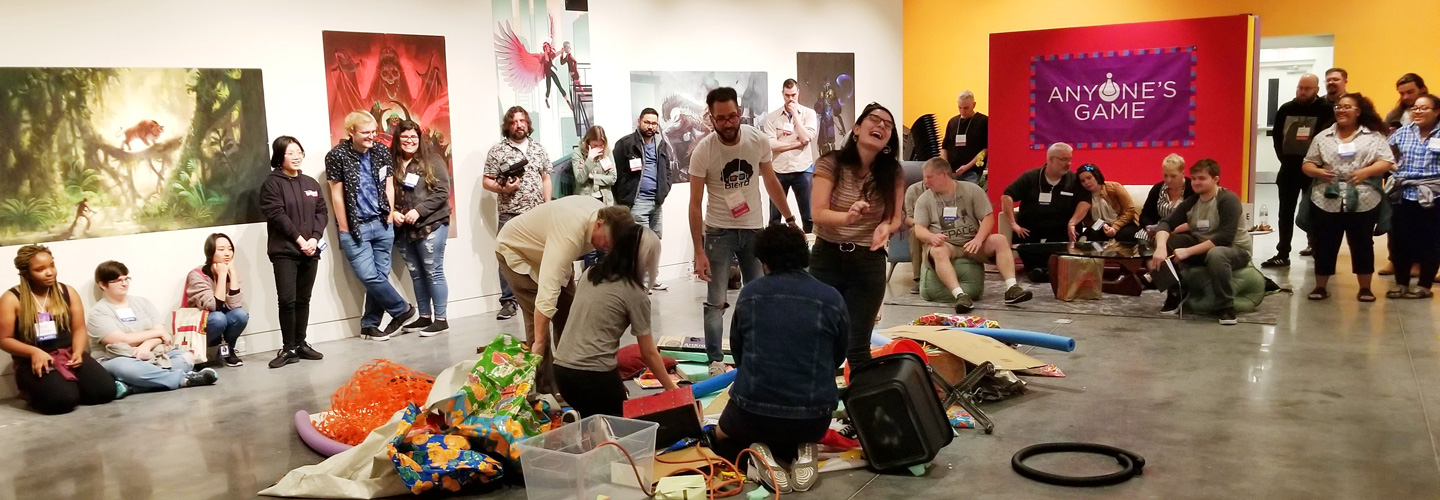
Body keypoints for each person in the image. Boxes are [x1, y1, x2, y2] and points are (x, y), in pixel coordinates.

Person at [712, 225, 847, 494]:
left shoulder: (749, 295)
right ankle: (800, 449)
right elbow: (837, 357)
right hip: (814, 417)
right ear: (804, 255)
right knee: (791, 429)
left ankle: (758, 459)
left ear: (763, 261)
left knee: (717, 439)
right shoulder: (831, 297)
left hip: (753, 413)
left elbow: (739, 355)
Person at [688, 87, 800, 375]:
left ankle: (756, 354)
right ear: (711, 118)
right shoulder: (703, 151)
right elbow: (695, 203)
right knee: (715, 301)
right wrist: (699, 251)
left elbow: (771, 181)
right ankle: (715, 361)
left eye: (732, 116)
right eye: (721, 118)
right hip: (718, 233)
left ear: (739, 112)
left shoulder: (757, 140)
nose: (728, 123)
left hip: (753, 231)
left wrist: (789, 219)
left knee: (759, 296)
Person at [496, 196, 634, 394]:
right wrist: (539, 343)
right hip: (517, 250)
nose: (608, 249)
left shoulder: (609, 220)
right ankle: (545, 387)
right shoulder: (570, 234)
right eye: (607, 243)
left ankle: (573, 374)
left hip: (548, 250)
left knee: (570, 315)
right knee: (538, 323)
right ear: (598, 225)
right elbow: (547, 294)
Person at [810, 102, 904, 366]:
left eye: (888, 125)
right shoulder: (831, 163)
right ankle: (821, 392)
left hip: (868, 261)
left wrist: (886, 227)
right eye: (875, 119)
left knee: (858, 346)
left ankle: (861, 392)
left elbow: (896, 217)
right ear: (857, 129)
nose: (881, 126)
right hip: (827, 258)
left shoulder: (892, 172)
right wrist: (848, 217)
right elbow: (818, 213)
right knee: (822, 340)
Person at [553, 224, 677, 418]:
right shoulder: (635, 293)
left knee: (595, 417)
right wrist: (672, 389)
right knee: (620, 427)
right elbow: (648, 353)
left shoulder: (590, 273)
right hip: (593, 376)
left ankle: (582, 422)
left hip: (561, 371)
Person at [326, 111, 418, 339]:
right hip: (355, 228)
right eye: (365, 132)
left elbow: (389, 185)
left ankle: (369, 324)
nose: (371, 136)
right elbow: (336, 194)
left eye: (373, 131)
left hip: (382, 224)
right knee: (369, 276)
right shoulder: (336, 155)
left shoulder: (381, 151)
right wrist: (344, 227)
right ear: (351, 132)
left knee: (379, 277)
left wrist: (389, 216)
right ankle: (402, 310)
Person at [1301, 93, 1395, 302]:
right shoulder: (1323, 136)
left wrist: (1366, 172)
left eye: (1347, 107)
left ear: (1358, 111)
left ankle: (1365, 288)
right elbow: (1307, 163)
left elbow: (1387, 161)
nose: (1341, 110)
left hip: (1364, 198)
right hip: (1326, 197)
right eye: (1338, 107)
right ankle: (1320, 286)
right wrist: (1317, 172)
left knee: (1362, 243)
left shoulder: (1373, 136)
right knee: (1324, 243)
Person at [0, 245, 115, 414]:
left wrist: (78, 351)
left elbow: (79, 329)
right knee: (62, 401)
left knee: (105, 392)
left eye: (52, 265)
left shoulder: (67, 291)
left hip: (67, 354)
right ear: (26, 273)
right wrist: (34, 352)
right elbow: (4, 339)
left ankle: (66, 386)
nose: (50, 272)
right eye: (40, 269)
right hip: (34, 360)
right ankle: (32, 392)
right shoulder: (11, 299)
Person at [913, 158, 1033, 312]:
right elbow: (919, 229)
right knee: (938, 251)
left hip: (972, 242)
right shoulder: (924, 199)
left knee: (1000, 240)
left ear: (943, 174)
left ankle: (1012, 288)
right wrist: (931, 237)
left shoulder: (972, 190)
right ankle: (960, 295)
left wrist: (978, 239)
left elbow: (988, 218)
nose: (925, 181)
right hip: (947, 245)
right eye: (924, 177)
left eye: (929, 177)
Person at [1151, 159, 1253, 325]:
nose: (1196, 182)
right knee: (1170, 240)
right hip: (1203, 248)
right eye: (1194, 178)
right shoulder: (1192, 202)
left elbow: (1224, 238)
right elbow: (1166, 223)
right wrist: (1160, 247)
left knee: (1216, 254)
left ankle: (1226, 307)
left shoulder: (1228, 200)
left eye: (1202, 178)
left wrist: (1188, 251)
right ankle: (1175, 293)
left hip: (1234, 250)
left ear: (1215, 179)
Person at [88, 261, 219, 389]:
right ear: (103, 285)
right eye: (117, 281)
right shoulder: (98, 312)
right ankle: (184, 380)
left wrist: (147, 345)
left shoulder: (143, 303)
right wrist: (158, 333)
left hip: (153, 353)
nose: (124, 283)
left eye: (126, 279)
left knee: (186, 358)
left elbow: (162, 335)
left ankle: (132, 386)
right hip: (119, 358)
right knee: (127, 368)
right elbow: (120, 340)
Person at [261, 136, 328, 368]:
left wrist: (314, 238)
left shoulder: (310, 183)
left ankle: (300, 343)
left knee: (303, 299)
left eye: (299, 152)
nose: (296, 156)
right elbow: (277, 215)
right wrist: (300, 240)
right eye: (290, 153)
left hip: (310, 250)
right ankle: (288, 347)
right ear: (280, 157)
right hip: (285, 251)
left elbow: (322, 212)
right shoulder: (272, 184)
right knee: (287, 300)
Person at [484, 106, 552, 321]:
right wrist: (504, 189)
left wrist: (548, 205)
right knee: (506, 257)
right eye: (514, 122)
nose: (519, 125)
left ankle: (543, 296)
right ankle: (509, 302)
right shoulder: (497, 150)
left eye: (522, 121)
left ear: (528, 124)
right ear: (508, 126)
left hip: (536, 213)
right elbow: (487, 181)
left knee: (540, 255)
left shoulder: (538, 148)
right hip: (510, 213)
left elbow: (546, 178)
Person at [391, 120, 452, 337]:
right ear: (398, 139)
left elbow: (443, 191)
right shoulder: (392, 163)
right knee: (416, 274)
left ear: (419, 138)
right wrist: (393, 212)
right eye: (404, 137)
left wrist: (419, 210)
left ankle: (441, 320)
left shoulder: (432, 160)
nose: (409, 141)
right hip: (404, 228)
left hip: (432, 223)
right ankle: (424, 316)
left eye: (413, 137)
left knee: (433, 271)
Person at [1262, 75, 1331, 267]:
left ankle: (1318, 250)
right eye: (1300, 87)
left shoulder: (1325, 110)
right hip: (1289, 169)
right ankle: (1283, 252)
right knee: (1285, 213)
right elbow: (1277, 137)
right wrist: (1284, 159)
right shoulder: (1286, 109)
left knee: (1316, 212)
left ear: (1317, 90)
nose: (1302, 92)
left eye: (1307, 88)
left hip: (1314, 171)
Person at [1001, 143, 1092, 282]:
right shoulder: (1031, 177)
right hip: (1031, 228)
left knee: (1061, 243)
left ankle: (1046, 271)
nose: (1068, 163)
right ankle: (1041, 271)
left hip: (1061, 228)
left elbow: (1085, 202)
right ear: (1050, 159)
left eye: (1070, 159)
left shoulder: (1073, 179)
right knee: (1025, 242)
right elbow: (1007, 196)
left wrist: (1073, 222)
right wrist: (1013, 224)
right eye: (1064, 159)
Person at [1386, 93, 1440, 298]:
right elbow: (1388, 154)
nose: (1418, 112)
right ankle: (1401, 283)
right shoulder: (1403, 132)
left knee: (1431, 240)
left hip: (1434, 194)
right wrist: (1396, 169)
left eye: (1424, 108)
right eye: (1415, 108)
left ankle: (1425, 285)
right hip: (1404, 194)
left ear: (1437, 111)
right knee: (1400, 240)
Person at [185, 233, 250, 367]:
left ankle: (228, 350)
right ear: (210, 252)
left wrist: (232, 273)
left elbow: (236, 305)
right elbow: (213, 306)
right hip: (204, 321)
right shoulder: (197, 275)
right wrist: (221, 275)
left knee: (241, 315)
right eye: (221, 249)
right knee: (218, 318)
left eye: (230, 249)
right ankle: (201, 353)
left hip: (221, 317)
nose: (227, 253)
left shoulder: (231, 272)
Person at [763, 79, 819, 233]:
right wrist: (797, 144)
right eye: (787, 95)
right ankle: (774, 247)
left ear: (798, 93)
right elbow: (771, 144)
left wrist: (795, 115)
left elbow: (806, 137)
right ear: (783, 94)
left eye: (793, 95)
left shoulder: (809, 113)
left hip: (803, 169)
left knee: (808, 216)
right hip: (779, 170)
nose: (791, 99)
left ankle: (809, 245)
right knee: (775, 217)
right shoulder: (772, 117)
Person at [613, 108, 677, 242]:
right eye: (647, 122)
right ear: (639, 121)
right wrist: (624, 198)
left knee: (655, 242)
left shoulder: (661, 144)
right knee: (641, 243)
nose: (650, 126)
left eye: (654, 123)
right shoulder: (625, 144)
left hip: (656, 203)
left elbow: (667, 169)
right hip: (637, 203)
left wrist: (664, 189)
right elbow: (615, 174)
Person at [1075, 164, 1141, 242]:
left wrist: (1115, 227)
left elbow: (1129, 210)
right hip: (1100, 226)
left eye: (1089, 178)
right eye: (1082, 181)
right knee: (1093, 236)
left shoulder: (1114, 187)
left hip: (1123, 223)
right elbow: (1087, 220)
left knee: (1125, 235)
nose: (1086, 182)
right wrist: (1103, 225)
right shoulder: (1083, 197)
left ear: (1096, 176)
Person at [1139, 153, 1195, 237]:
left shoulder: (1193, 189)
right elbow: (1145, 215)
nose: (1168, 180)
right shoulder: (1157, 189)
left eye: (1173, 176)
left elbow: (1196, 219)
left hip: (1181, 231)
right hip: (1157, 229)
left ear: (1183, 173)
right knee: (1142, 236)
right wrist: (1150, 227)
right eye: (1165, 175)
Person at [942, 90, 989, 184]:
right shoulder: (953, 122)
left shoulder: (983, 121)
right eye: (960, 107)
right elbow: (944, 147)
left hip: (972, 171)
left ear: (974, 105)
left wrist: (967, 166)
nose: (962, 111)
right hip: (951, 172)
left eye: (966, 108)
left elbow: (985, 149)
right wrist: (945, 165)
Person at [572, 125, 617, 206]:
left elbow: (613, 178)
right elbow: (580, 179)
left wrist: (594, 177)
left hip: (605, 199)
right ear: (588, 142)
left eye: (601, 145)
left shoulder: (607, 152)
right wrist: (590, 159)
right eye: (595, 145)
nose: (598, 148)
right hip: (585, 199)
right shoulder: (578, 153)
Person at [904, 179, 928, 294]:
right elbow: (908, 218)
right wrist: (921, 225)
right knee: (914, 232)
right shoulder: (913, 190)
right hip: (920, 226)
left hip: (942, 226)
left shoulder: (948, 190)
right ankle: (919, 278)